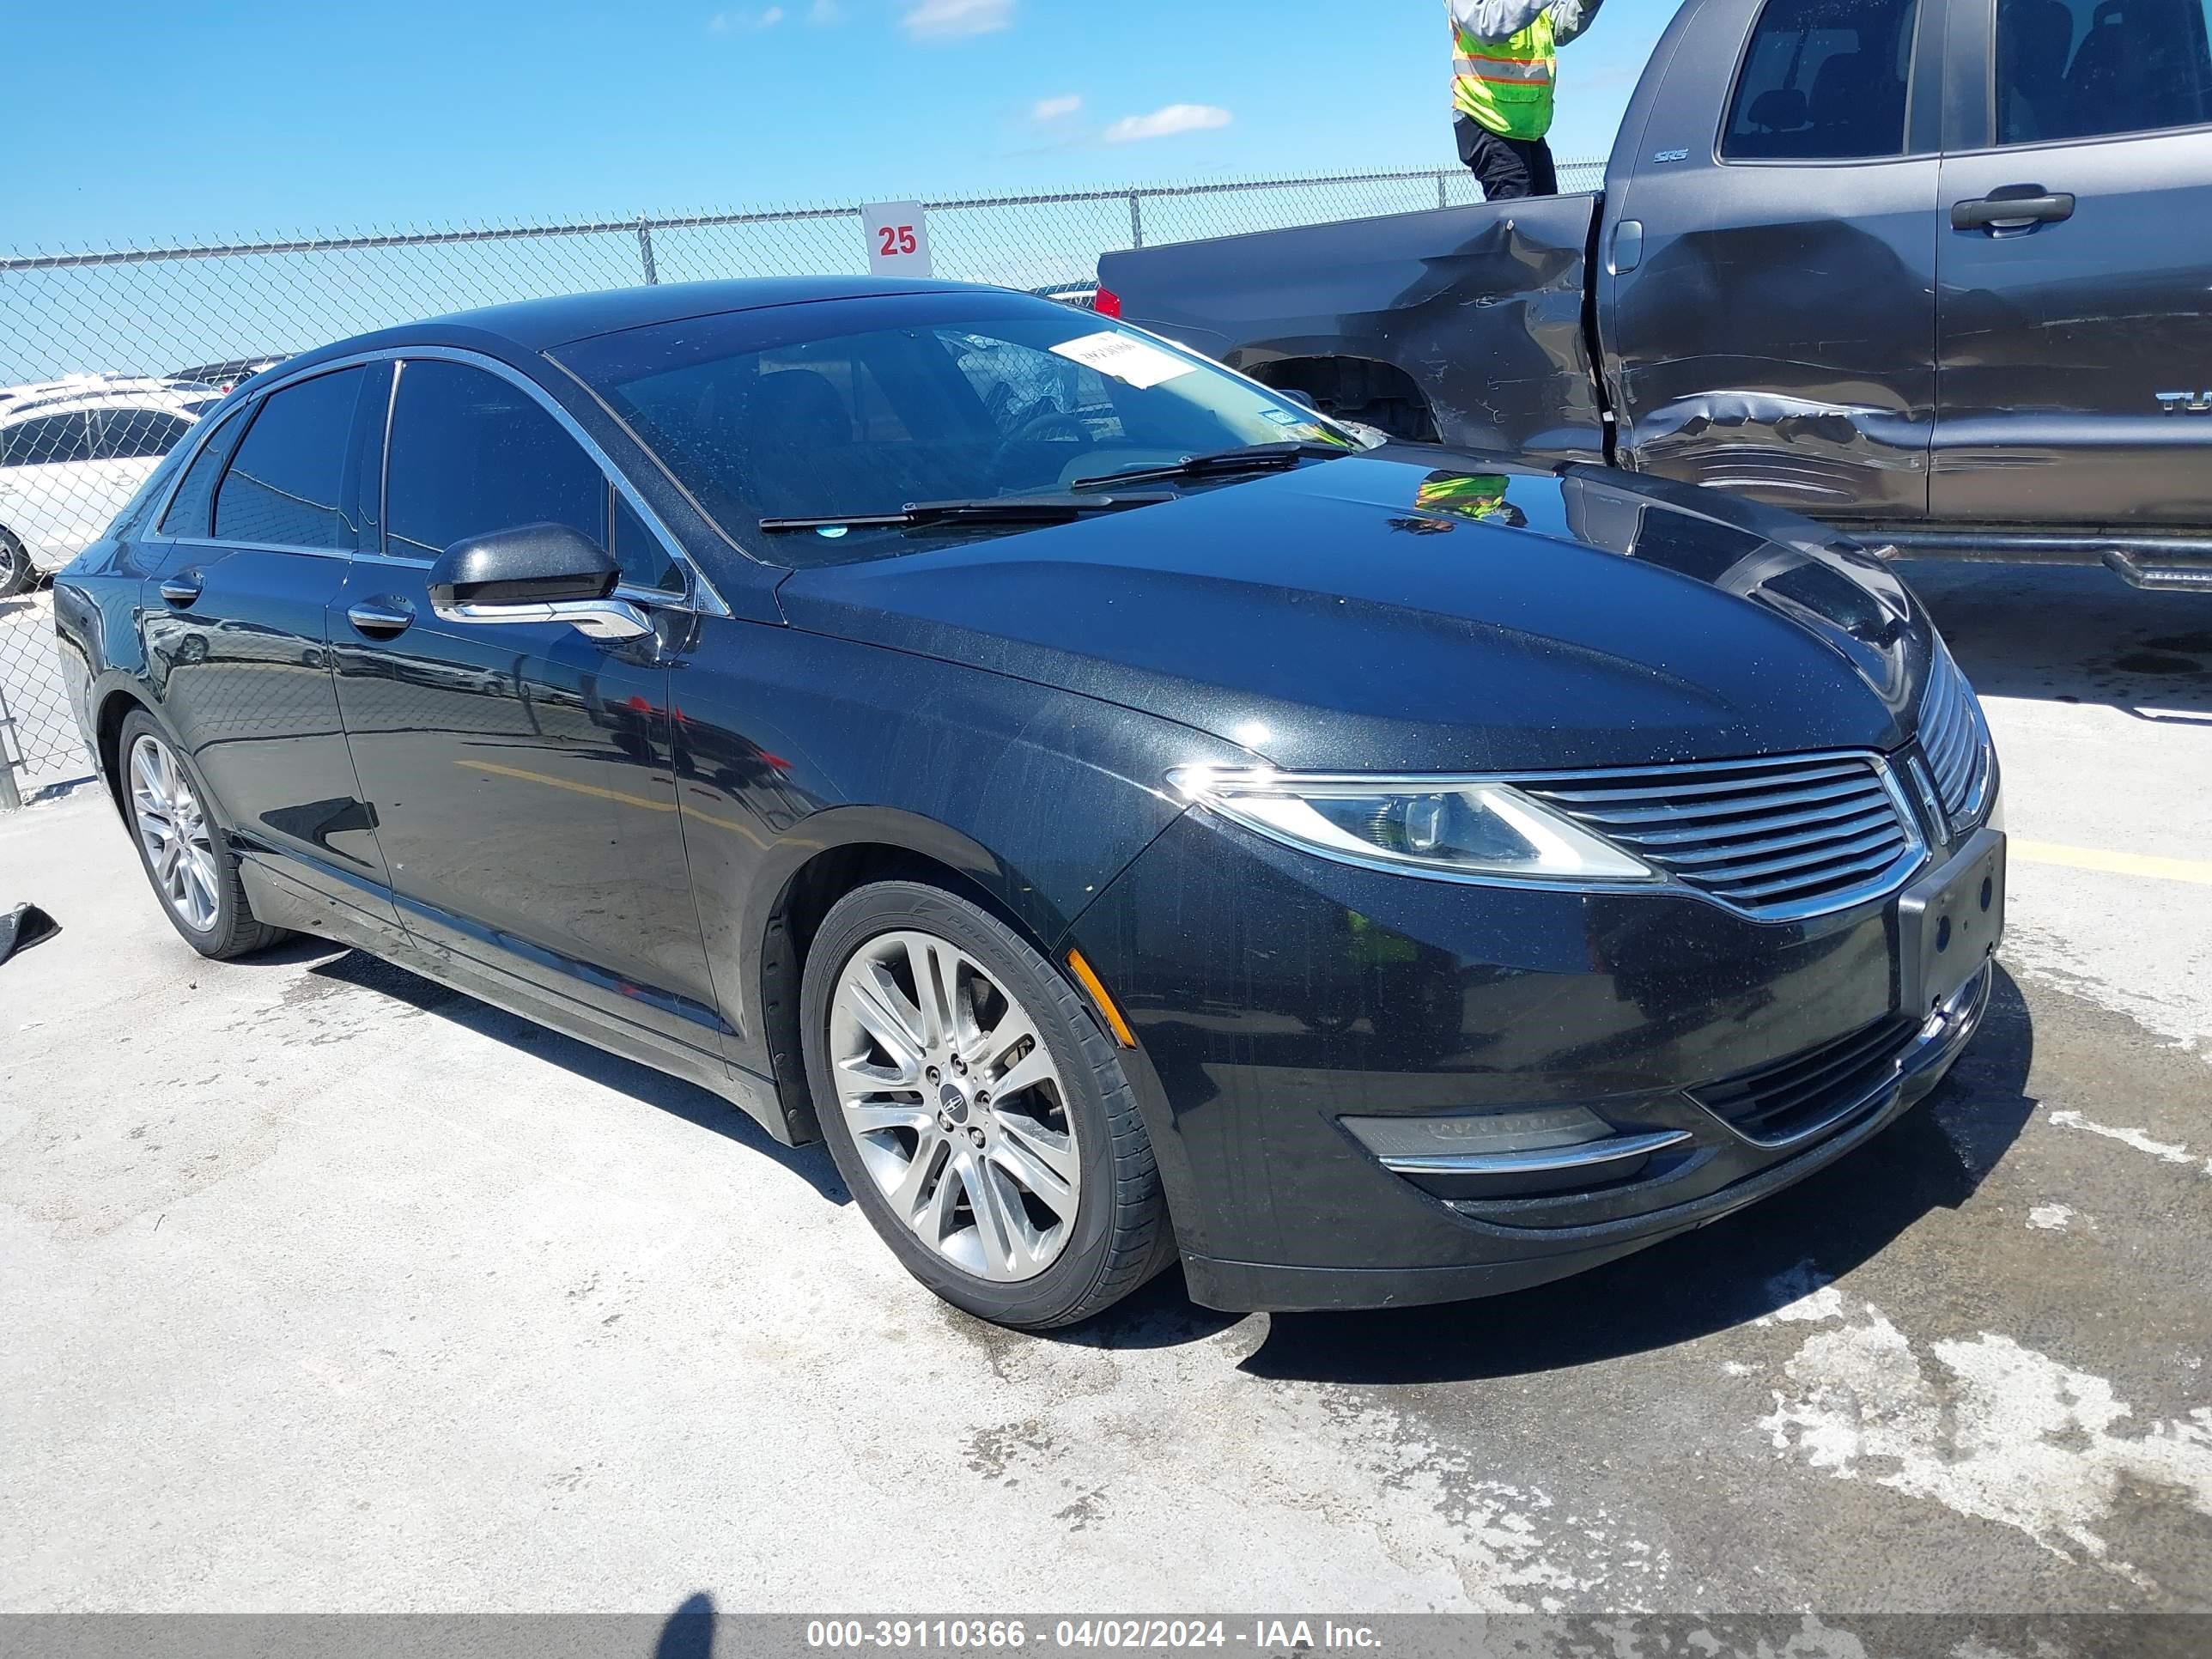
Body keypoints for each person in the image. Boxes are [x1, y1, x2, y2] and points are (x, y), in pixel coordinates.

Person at [1449, 0, 1607, 200]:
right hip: (1489, 120)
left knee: (1543, 219)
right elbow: (1487, 23)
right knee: (1521, 224)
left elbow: (1558, 28)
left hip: (1527, 128)